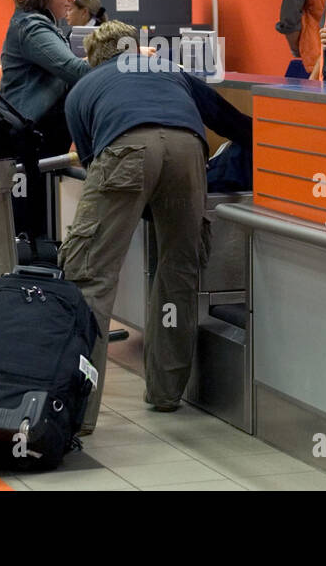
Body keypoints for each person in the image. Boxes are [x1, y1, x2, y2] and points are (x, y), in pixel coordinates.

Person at [60, 21, 252, 434]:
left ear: (93, 59)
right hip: (188, 153)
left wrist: (136, 200)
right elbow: (230, 119)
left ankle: (77, 412)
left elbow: (96, 166)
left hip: (125, 149)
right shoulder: (168, 69)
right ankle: (166, 393)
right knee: (179, 269)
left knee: (91, 275)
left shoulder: (82, 89)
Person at [0, 0, 93, 236]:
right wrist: (126, 58)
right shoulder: (32, 27)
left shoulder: (43, 24)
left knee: (39, 219)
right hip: (30, 138)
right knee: (31, 223)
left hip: (39, 139)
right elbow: (73, 69)